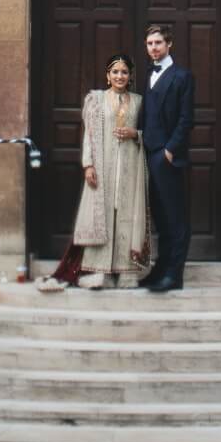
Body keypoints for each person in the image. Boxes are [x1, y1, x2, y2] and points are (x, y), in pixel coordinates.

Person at [39, 53, 149, 290]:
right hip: (103, 167)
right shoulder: (96, 100)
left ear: (130, 76)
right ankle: (102, 272)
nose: (120, 76)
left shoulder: (140, 101)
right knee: (104, 215)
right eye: (115, 72)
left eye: (124, 72)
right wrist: (88, 164)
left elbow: (149, 132)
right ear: (107, 75)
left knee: (127, 214)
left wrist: (135, 134)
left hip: (130, 165)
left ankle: (127, 271)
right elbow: (89, 134)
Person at [137, 22, 195, 292]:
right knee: (159, 217)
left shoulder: (182, 76)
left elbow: (186, 119)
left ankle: (175, 275)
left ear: (169, 44)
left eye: (158, 43)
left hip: (167, 156)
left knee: (175, 218)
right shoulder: (148, 75)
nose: (153, 48)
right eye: (150, 44)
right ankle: (160, 270)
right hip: (147, 155)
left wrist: (170, 151)